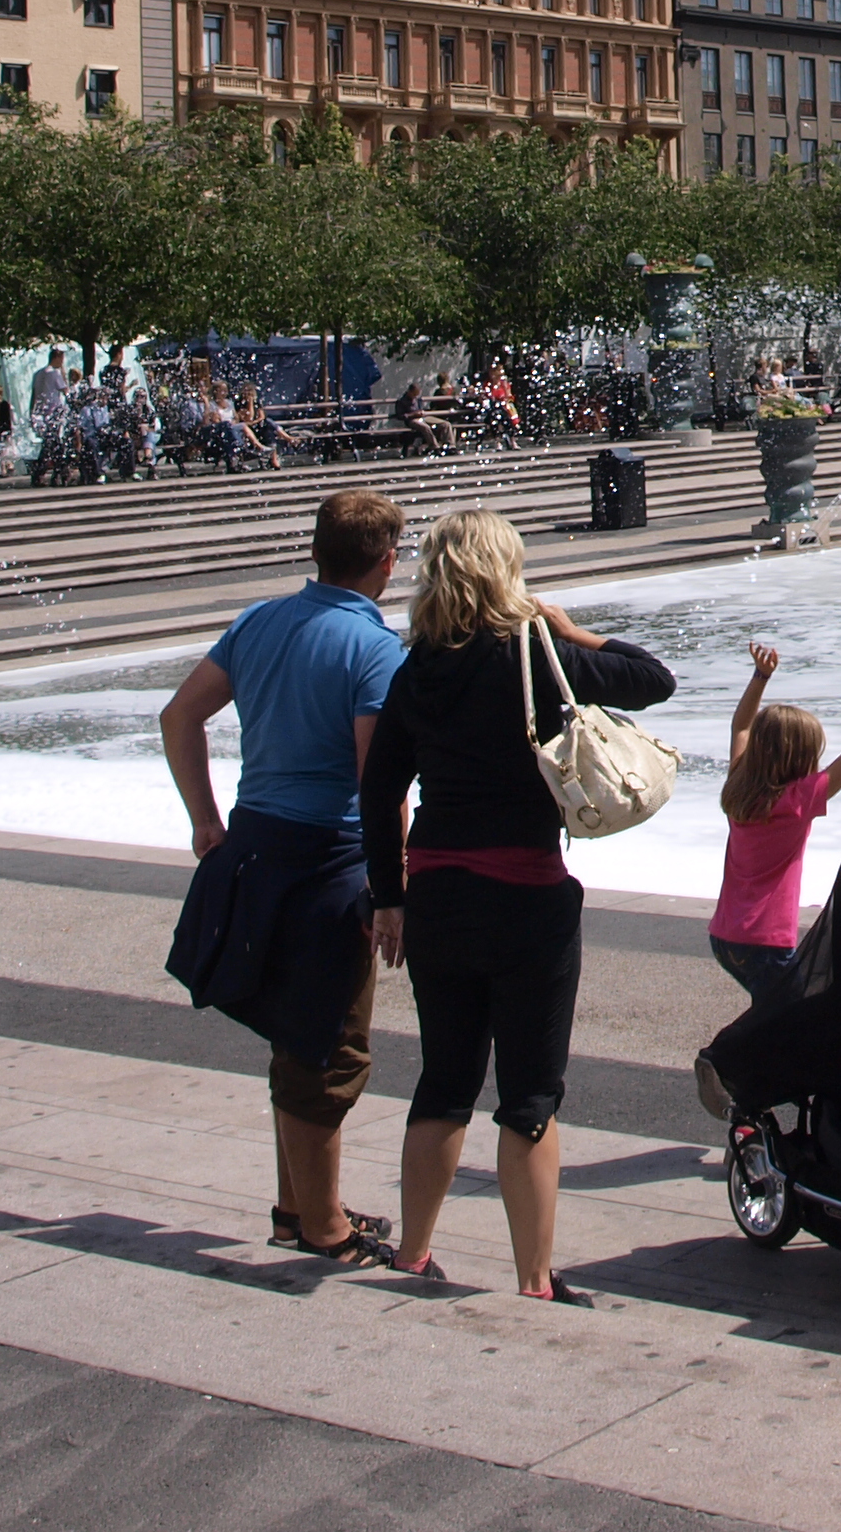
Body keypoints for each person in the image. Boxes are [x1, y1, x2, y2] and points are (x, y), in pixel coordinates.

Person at [362, 507, 672, 1302]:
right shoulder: (533, 654)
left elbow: (378, 791)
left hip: (436, 894)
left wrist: (389, 899)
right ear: (507, 573)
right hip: (526, 898)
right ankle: (534, 1278)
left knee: (444, 1078)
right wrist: (575, 632)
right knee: (529, 1093)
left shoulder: (417, 668)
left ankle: (413, 1256)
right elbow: (654, 678)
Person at [159, 488, 411, 1271]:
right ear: (386, 561)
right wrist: (393, 886)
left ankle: (295, 1206)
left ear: (316, 551)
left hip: (257, 848)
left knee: (293, 1040)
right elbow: (379, 785)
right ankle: (325, 1226)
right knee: (330, 1049)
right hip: (330, 865)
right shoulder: (375, 651)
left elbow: (178, 718)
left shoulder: (259, 621)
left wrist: (205, 819)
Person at [709, 641, 841, 1002]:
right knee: (789, 1027)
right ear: (804, 757)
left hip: (724, 937)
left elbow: (740, 727)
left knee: (773, 1020)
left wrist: (761, 676)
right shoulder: (798, 801)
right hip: (767, 942)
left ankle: (737, 1054)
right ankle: (723, 1056)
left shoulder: (738, 787)